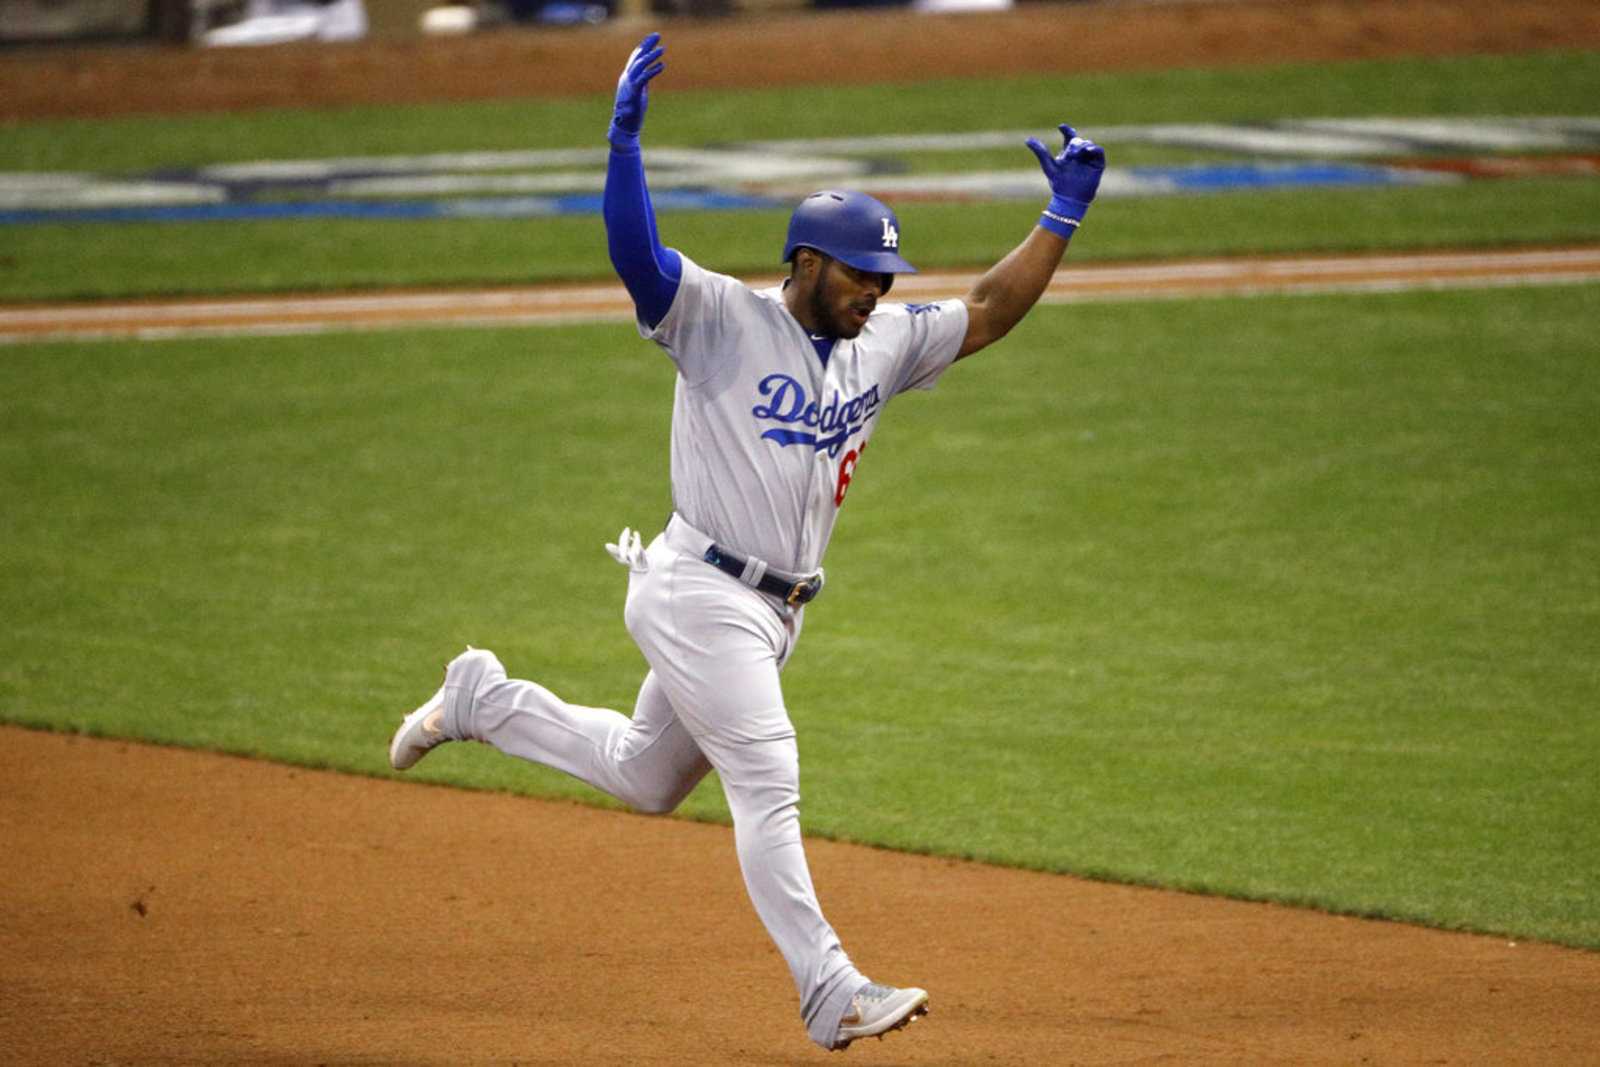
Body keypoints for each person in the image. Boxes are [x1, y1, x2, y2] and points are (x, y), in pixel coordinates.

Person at [388, 31, 1105, 1052]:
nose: (878, 293)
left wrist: (1060, 215)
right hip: (698, 590)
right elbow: (638, 257)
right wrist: (625, 145)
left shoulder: (882, 346)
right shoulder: (717, 318)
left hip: (775, 611)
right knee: (767, 773)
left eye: (886, 279)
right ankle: (828, 987)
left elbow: (988, 308)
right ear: (806, 261)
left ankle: (482, 699)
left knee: (645, 775)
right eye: (861, 275)